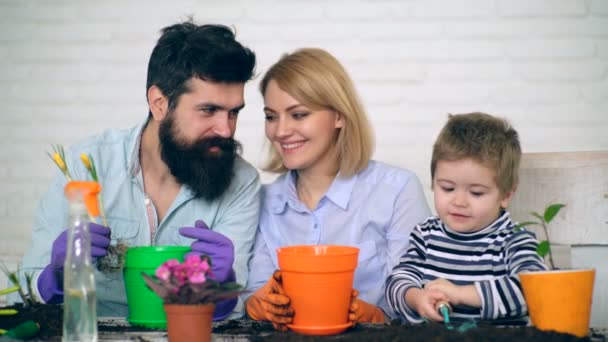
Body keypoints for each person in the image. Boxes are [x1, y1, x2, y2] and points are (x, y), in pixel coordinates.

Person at [17, 20, 261, 320]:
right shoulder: (85, 166)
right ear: (159, 103)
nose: (226, 130)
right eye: (208, 110)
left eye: (234, 112)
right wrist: (54, 276)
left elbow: (232, 311)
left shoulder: (242, 182)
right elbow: (23, 289)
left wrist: (222, 289)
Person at [244, 48, 431, 330]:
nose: (280, 131)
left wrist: (376, 315)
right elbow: (254, 292)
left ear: (339, 116)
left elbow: (418, 295)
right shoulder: (264, 201)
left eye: (298, 114)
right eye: (271, 116)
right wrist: (258, 305)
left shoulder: (397, 191)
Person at [385, 112, 548, 324]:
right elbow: (397, 281)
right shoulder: (426, 234)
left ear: (506, 195)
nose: (459, 201)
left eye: (476, 193)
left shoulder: (515, 239)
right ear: (433, 183)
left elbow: (533, 290)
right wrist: (417, 298)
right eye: (448, 188)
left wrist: (460, 294)